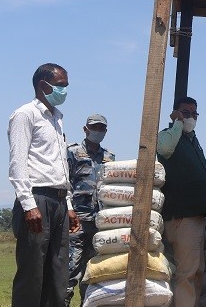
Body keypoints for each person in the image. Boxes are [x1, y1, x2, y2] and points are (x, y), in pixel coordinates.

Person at [8, 63, 81, 307]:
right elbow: (18, 163)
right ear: (43, 85)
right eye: (61, 86)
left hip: (59, 201)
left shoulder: (57, 119)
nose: (65, 91)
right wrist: (28, 205)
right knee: (32, 275)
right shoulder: (25, 115)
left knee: (57, 274)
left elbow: (59, 165)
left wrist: (68, 203)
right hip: (37, 199)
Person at [157, 96, 206, 307]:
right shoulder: (167, 136)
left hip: (196, 215)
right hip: (182, 216)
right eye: (185, 112)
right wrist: (177, 123)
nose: (190, 117)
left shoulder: (192, 140)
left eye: (194, 113)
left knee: (196, 271)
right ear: (175, 113)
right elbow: (164, 150)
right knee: (186, 273)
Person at [65, 114, 116, 306]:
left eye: (101, 128)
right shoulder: (72, 153)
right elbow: (65, 184)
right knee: (69, 273)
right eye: (94, 127)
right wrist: (69, 210)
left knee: (93, 276)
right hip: (76, 222)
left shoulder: (109, 158)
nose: (97, 131)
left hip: (101, 224)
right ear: (85, 129)